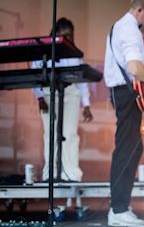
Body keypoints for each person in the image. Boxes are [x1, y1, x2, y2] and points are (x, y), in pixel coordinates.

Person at [103, 0, 144, 226]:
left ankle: (120, 207)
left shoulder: (123, 27)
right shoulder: (128, 29)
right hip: (125, 95)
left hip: (124, 94)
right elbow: (134, 68)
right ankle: (118, 210)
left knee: (132, 147)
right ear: (139, 9)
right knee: (127, 148)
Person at [32, 17, 93, 182]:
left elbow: (82, 81)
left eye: (71, 35)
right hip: (48, 94)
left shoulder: (75, 53)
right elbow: (34, 76)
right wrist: (39, 98)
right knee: (50, 134)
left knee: (70, 134)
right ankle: (50, 174)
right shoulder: (43, 51)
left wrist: (86, 105)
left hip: (71, 94)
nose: (69, 39)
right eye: (65, 35)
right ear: (56, 33)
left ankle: (71, 174)